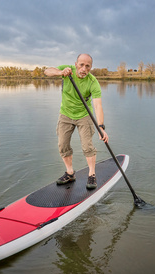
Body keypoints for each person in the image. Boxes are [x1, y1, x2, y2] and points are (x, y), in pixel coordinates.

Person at [44, 54, 108, 189]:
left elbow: (97, 105)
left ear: (91, 68)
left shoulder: (92, 82)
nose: (84, 69)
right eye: (81, 65)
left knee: (87, 146)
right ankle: (70, 173)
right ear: (76, 64)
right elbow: (47, 71)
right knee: (62, 145)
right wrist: (60, 72)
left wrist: (101, 127)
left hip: (84, 115)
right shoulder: (67, 71)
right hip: (65, 114)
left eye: (87, 66)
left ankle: (92, 174)